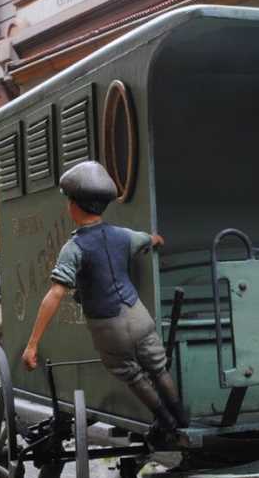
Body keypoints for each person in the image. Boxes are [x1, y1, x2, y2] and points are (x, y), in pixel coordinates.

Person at [20, 161, 187, 433]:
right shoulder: (123, 235)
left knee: (132, 374)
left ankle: (164, 420)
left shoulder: (74, 248)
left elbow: (55, 293)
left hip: (108, 325)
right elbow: (150, 239)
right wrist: (156, 240)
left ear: (74, 206)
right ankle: (181, 416)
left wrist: (32, 344)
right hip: (137, 314)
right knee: (158, 367)